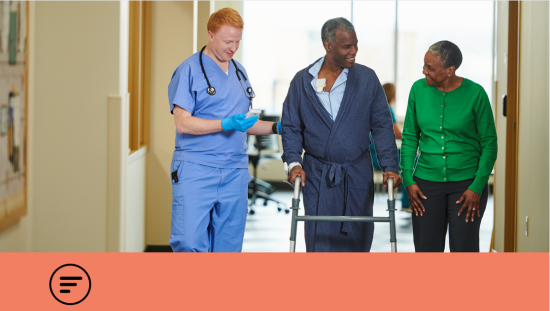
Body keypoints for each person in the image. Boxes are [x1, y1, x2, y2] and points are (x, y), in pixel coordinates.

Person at [282, 17, 402, 252]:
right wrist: (294, 163)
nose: (354, 51)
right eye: (347, 46)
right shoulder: (302, 82)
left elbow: (382, 126)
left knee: (357, 237)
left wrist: (390, 166)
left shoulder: (367, 79)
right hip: (317, 173)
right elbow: (291, 127)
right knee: (320, 238)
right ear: (328, 45)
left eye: (355, 45)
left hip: (356, 172)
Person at [167, 8, 282, 252]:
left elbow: (245, 124)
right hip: (196, 169)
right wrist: (225, 124)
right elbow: (182, 122)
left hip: (234, 171)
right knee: (188, 243)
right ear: (210, 35)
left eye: (238, 42)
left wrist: (277, 127)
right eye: (228, 41)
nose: (233, 48)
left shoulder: (240, 73)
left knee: (228, 247)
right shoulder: (188, 70)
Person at [400, 40, 497, 252]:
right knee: (426, 249)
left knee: (464, 249)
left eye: (430, 67)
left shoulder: (476, 93)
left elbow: (490, 143)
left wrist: (477, 186)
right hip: (425, 185)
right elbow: (409, 137)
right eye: (424, 64)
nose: (423, 70)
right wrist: (408, 178)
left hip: (467, 187)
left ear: (450, 70)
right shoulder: (418, 90)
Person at [369, 83, 411, 212]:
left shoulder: (373, 107)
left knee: (409, 160)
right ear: (393, 96)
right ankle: (407, 203)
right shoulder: (386, 109)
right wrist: (416, 135)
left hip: (372, 154)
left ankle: (407, 202)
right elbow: (397, 134)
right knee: (412, 162)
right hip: (379, 157)